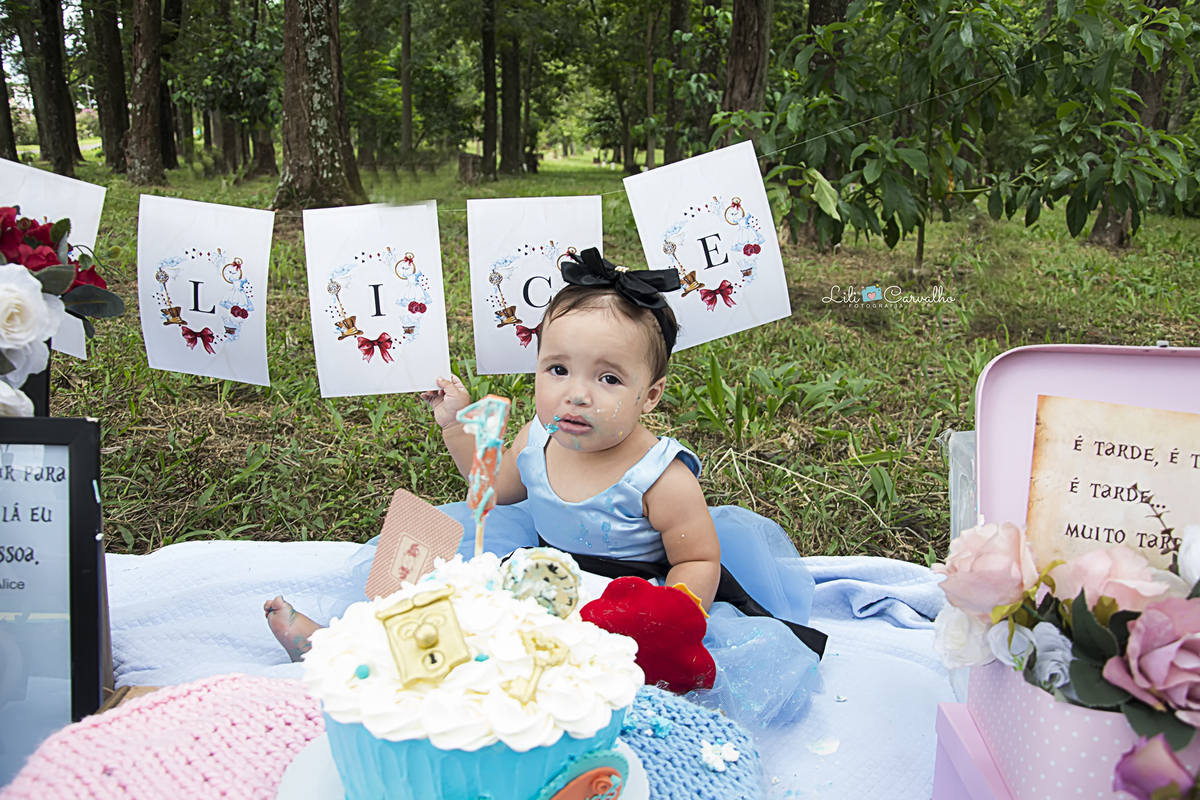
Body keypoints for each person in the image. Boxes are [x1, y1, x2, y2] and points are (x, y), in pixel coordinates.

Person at [266, 248, 824, 731]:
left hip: (616, 599)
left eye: (608, 379)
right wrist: (457, 424)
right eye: (557, 369)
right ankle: (349, 646)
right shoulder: (538, 437)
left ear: (649, 396)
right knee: (431, 572)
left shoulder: (661, 476)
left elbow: (699, 557)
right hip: (533, 570)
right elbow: (489, 491)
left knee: (545, 666)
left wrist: (674, 610)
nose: (575, 395)